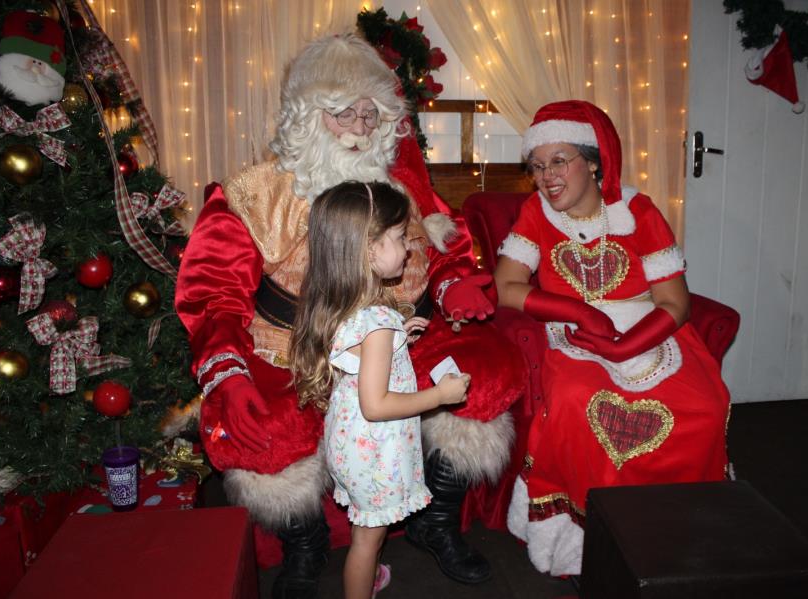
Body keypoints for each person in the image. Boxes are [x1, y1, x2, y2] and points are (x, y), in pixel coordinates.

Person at [175, 34, 523, 597]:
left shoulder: (401, 182)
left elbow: (446, 246)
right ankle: (305, 545)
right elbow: (210, 293)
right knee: (258, 424)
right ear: (308, 115)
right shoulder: (251, 194)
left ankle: (433, 523)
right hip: (294, 346)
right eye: (343, 114)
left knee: (489, 370)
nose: (361, 128)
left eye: (370, 113)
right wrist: (227, 367)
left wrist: (455, 281)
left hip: (399, 335)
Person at [495, 100, 730, 576]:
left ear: (595, 161)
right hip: (572, 333)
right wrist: (577, 310)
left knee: (705, 405)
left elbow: (675, 303)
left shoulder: (638, 211)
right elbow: (506, 286)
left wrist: (626, 346)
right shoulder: (536, 214)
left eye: (559, 161)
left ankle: (681, 529)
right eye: (537, 166)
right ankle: (592, 546)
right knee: (581, 399)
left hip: (646, 327)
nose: (546, 176)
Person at [289, 181, 472, 599]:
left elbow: (360, 357)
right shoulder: (376, 322)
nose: (408, 248)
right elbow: (377, 404)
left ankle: (366, 577)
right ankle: (360, 585)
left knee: (366, 530)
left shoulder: (349, 306)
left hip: (352, 443)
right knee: (367, 541)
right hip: (374, 449)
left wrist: (397, 338)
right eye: (398, 238)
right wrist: (440, 396)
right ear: (368, 250)